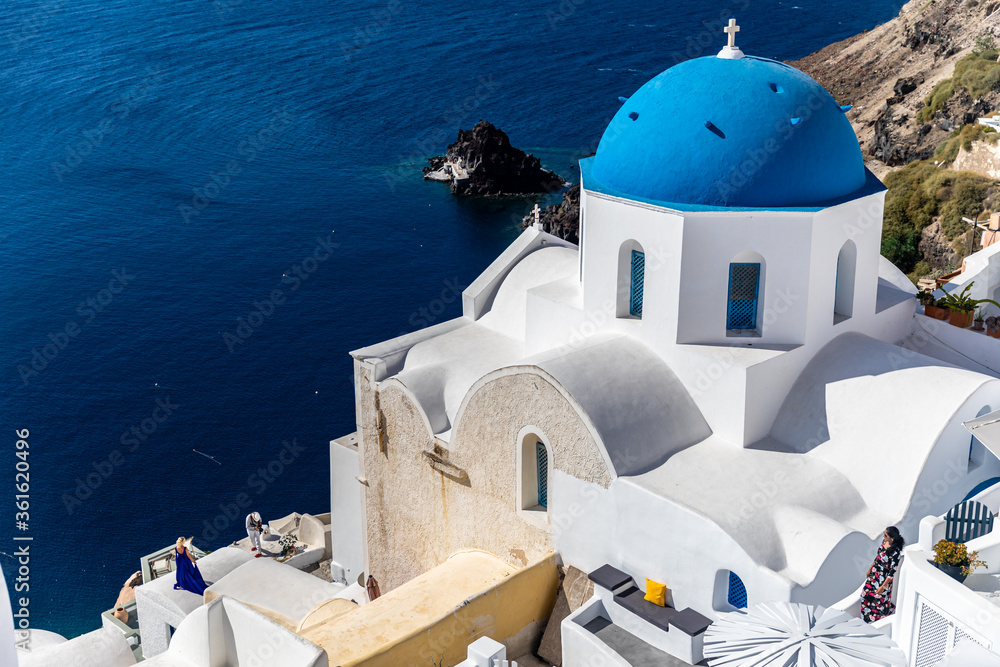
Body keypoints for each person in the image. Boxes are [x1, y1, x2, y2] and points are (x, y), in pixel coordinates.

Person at [861, 526, 905, 622]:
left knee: (879, 600)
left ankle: (877, 620)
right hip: (875, 573)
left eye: (885, 535)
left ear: (892, 538)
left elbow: (892, 571)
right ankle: (866, 618)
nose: (883, 536)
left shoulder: (896, 552)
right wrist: (870, 569)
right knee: (865, 594)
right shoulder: (884, 543)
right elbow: (877, 557)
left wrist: (883, 586)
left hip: (883, 578)